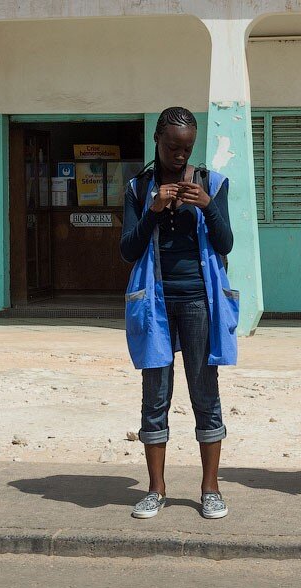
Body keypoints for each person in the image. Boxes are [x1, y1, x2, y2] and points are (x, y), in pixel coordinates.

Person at [119, 107, 237, 520]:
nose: (180, 156)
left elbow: (225, 243)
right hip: (154, 303)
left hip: (198, 303)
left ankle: (210, 489)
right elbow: (127, 250)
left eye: (187, 148)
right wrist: (152, 210)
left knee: (206, 394)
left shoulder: (211, 183)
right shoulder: (138, 187)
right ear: (157, 139)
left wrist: (207, 206)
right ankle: (156, 489)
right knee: (155, 397)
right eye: (172, 147)